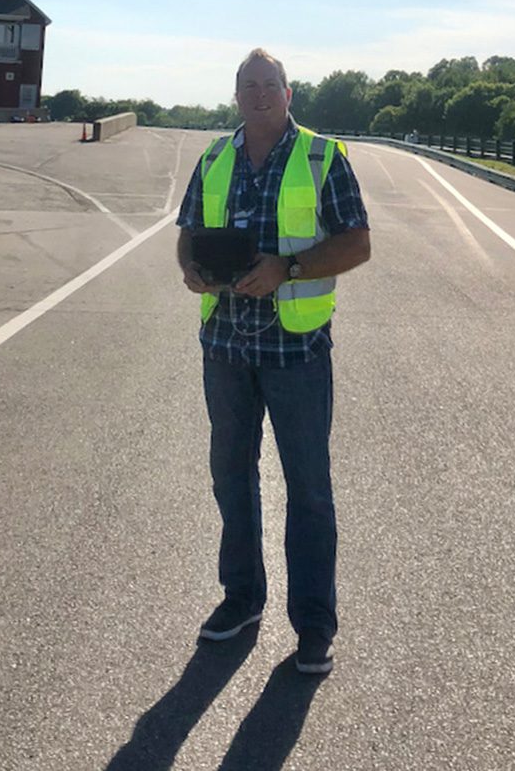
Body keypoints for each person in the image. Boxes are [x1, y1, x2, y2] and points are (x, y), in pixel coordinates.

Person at [176, 47, 371, 677]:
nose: (259, 94)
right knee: (231, 478)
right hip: (226, 349)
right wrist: (191, 272)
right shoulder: (214, 157)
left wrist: (286, 268)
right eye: (248, 85)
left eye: (270, 85)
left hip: (296, 351)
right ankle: (242, 599)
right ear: (235, 95)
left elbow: (357, 242)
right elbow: (186, 234)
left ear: (289, 94)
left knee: (308, 490)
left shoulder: (322, 156)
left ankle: (313, 626)